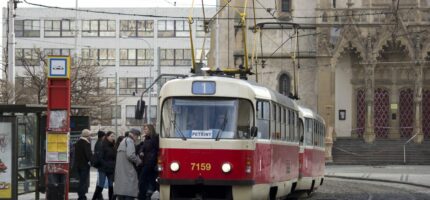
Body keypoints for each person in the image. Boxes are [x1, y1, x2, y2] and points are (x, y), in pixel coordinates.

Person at [114, 128, 142, 200]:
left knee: (122, 192)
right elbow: (130, 155)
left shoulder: (123, 141)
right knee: (129, 192)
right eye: (137, 136)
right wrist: (139, 161)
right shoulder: (130, 141)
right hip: (128, 170)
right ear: (134, 135)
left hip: (122, 171)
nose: (137, 138)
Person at [137, 124, 159, 200]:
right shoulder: (146, 138)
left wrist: (152, 161)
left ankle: (142, 196)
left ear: (150, 129)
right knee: (149, 179)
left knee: (142, 178)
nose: (144, 131)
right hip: (145, 162)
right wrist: (141, 152)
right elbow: (142, 148)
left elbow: (156, 151)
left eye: (146, 129)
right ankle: (147, 194)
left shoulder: (155, 138)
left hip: (150, 163)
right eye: (144, 129)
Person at [73, 129, 93, 200]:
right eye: (90, 135)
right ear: (87, 136)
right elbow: (88, 155)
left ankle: (81, 195)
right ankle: (81, 196)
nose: (90, 137)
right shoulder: (86, 143)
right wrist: (92, 160)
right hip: (84, 165)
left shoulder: (78, 142)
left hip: (78, 165)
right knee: (83, 181)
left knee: (81, 180)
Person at [100, 131, 116, 200]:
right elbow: (100, 158)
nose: (113, 137)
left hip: (111, 169)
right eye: (111, 136)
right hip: (104, 168)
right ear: (107, 137)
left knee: (111, 185)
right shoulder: (103, 145)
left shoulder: (113, 145)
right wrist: (106, 164)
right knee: (100, 185)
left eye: (113, 136)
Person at [92, 131, 106, 200]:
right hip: (101, 166)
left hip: (100, 165)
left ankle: (99, 197)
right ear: (103, 136)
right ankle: (97, 197)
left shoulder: (98, 142)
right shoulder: (100, 143)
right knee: (100, 184)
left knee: (99, 183)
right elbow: (100, 156)